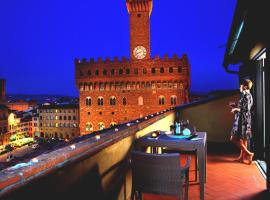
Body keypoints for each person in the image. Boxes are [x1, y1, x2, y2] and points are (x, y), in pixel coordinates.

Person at [230, 79, 254, 164]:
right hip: (243, 119)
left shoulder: (247, 95)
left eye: (241, 85)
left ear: (245, 86)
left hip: (243, 120)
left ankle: (249, 154)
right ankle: (241, 158)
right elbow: (243, 108)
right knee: (243, 140)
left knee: (233, 138)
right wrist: (236, 106)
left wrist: (236, 109)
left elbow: (246, 109)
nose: (239, 86)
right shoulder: (245, 95)